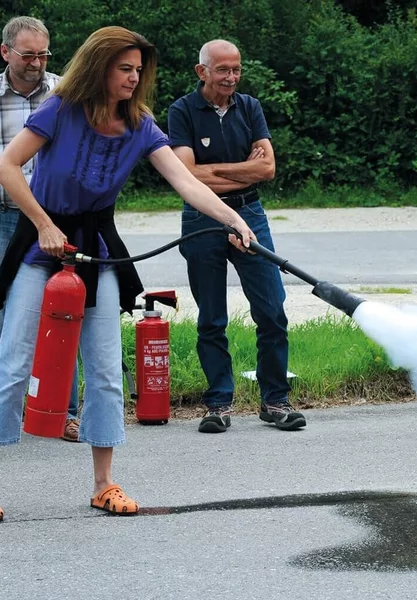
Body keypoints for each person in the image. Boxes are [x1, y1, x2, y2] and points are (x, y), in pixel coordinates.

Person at [0, 26, 255, 522]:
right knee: (10, 367)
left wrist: (234, 219)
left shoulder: (140, 123)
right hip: (41, 244)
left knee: (104, 371)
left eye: (139, 70)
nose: (134, 79)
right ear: (100, 68)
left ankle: (103, 485)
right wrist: (44, 224)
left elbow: (184, 180)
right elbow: (8, 166)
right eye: (125, 69)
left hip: (96, 249)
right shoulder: (60, 107)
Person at [168, 39, 305, 434]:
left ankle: (275, 401)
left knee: (272, 309)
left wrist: (219, 171)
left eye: (237, 69)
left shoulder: (250, 107)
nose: (231, 77)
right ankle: (218, 404)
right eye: (223, 70)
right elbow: (186, 176)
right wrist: (243, 166)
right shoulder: (182, 110)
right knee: (212, 317)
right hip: (201, 217)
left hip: (249, 213)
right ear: (202, 72)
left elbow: (267, 170)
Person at [0, 16, 82, 443]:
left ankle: (62, 412)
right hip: (5, 219)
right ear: (5, 52)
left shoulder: (67, 92)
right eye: (28, 55)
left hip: (57, 223)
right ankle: (5, 416)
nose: (36, 63)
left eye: (43, 54)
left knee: (64, 312)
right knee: (7, 318)